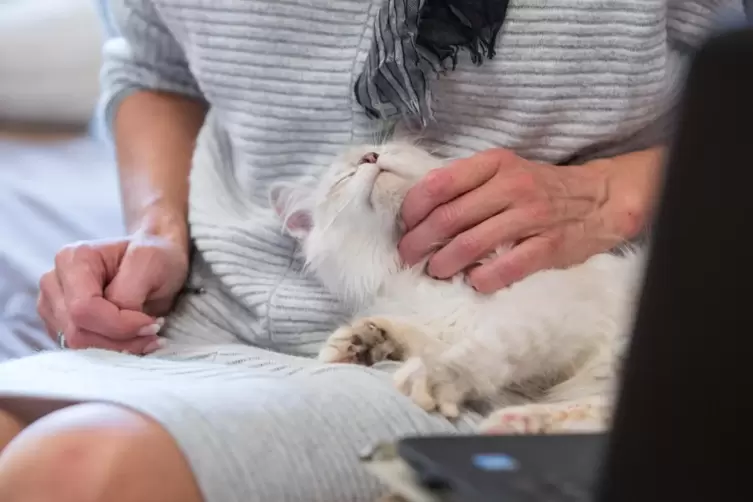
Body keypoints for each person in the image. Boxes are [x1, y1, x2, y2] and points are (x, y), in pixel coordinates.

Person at [0, 1, 741, 501]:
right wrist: (154, 232)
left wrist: (614, 194)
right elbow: (152, 68)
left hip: (497, 358)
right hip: (205, 313)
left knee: (72, 470)